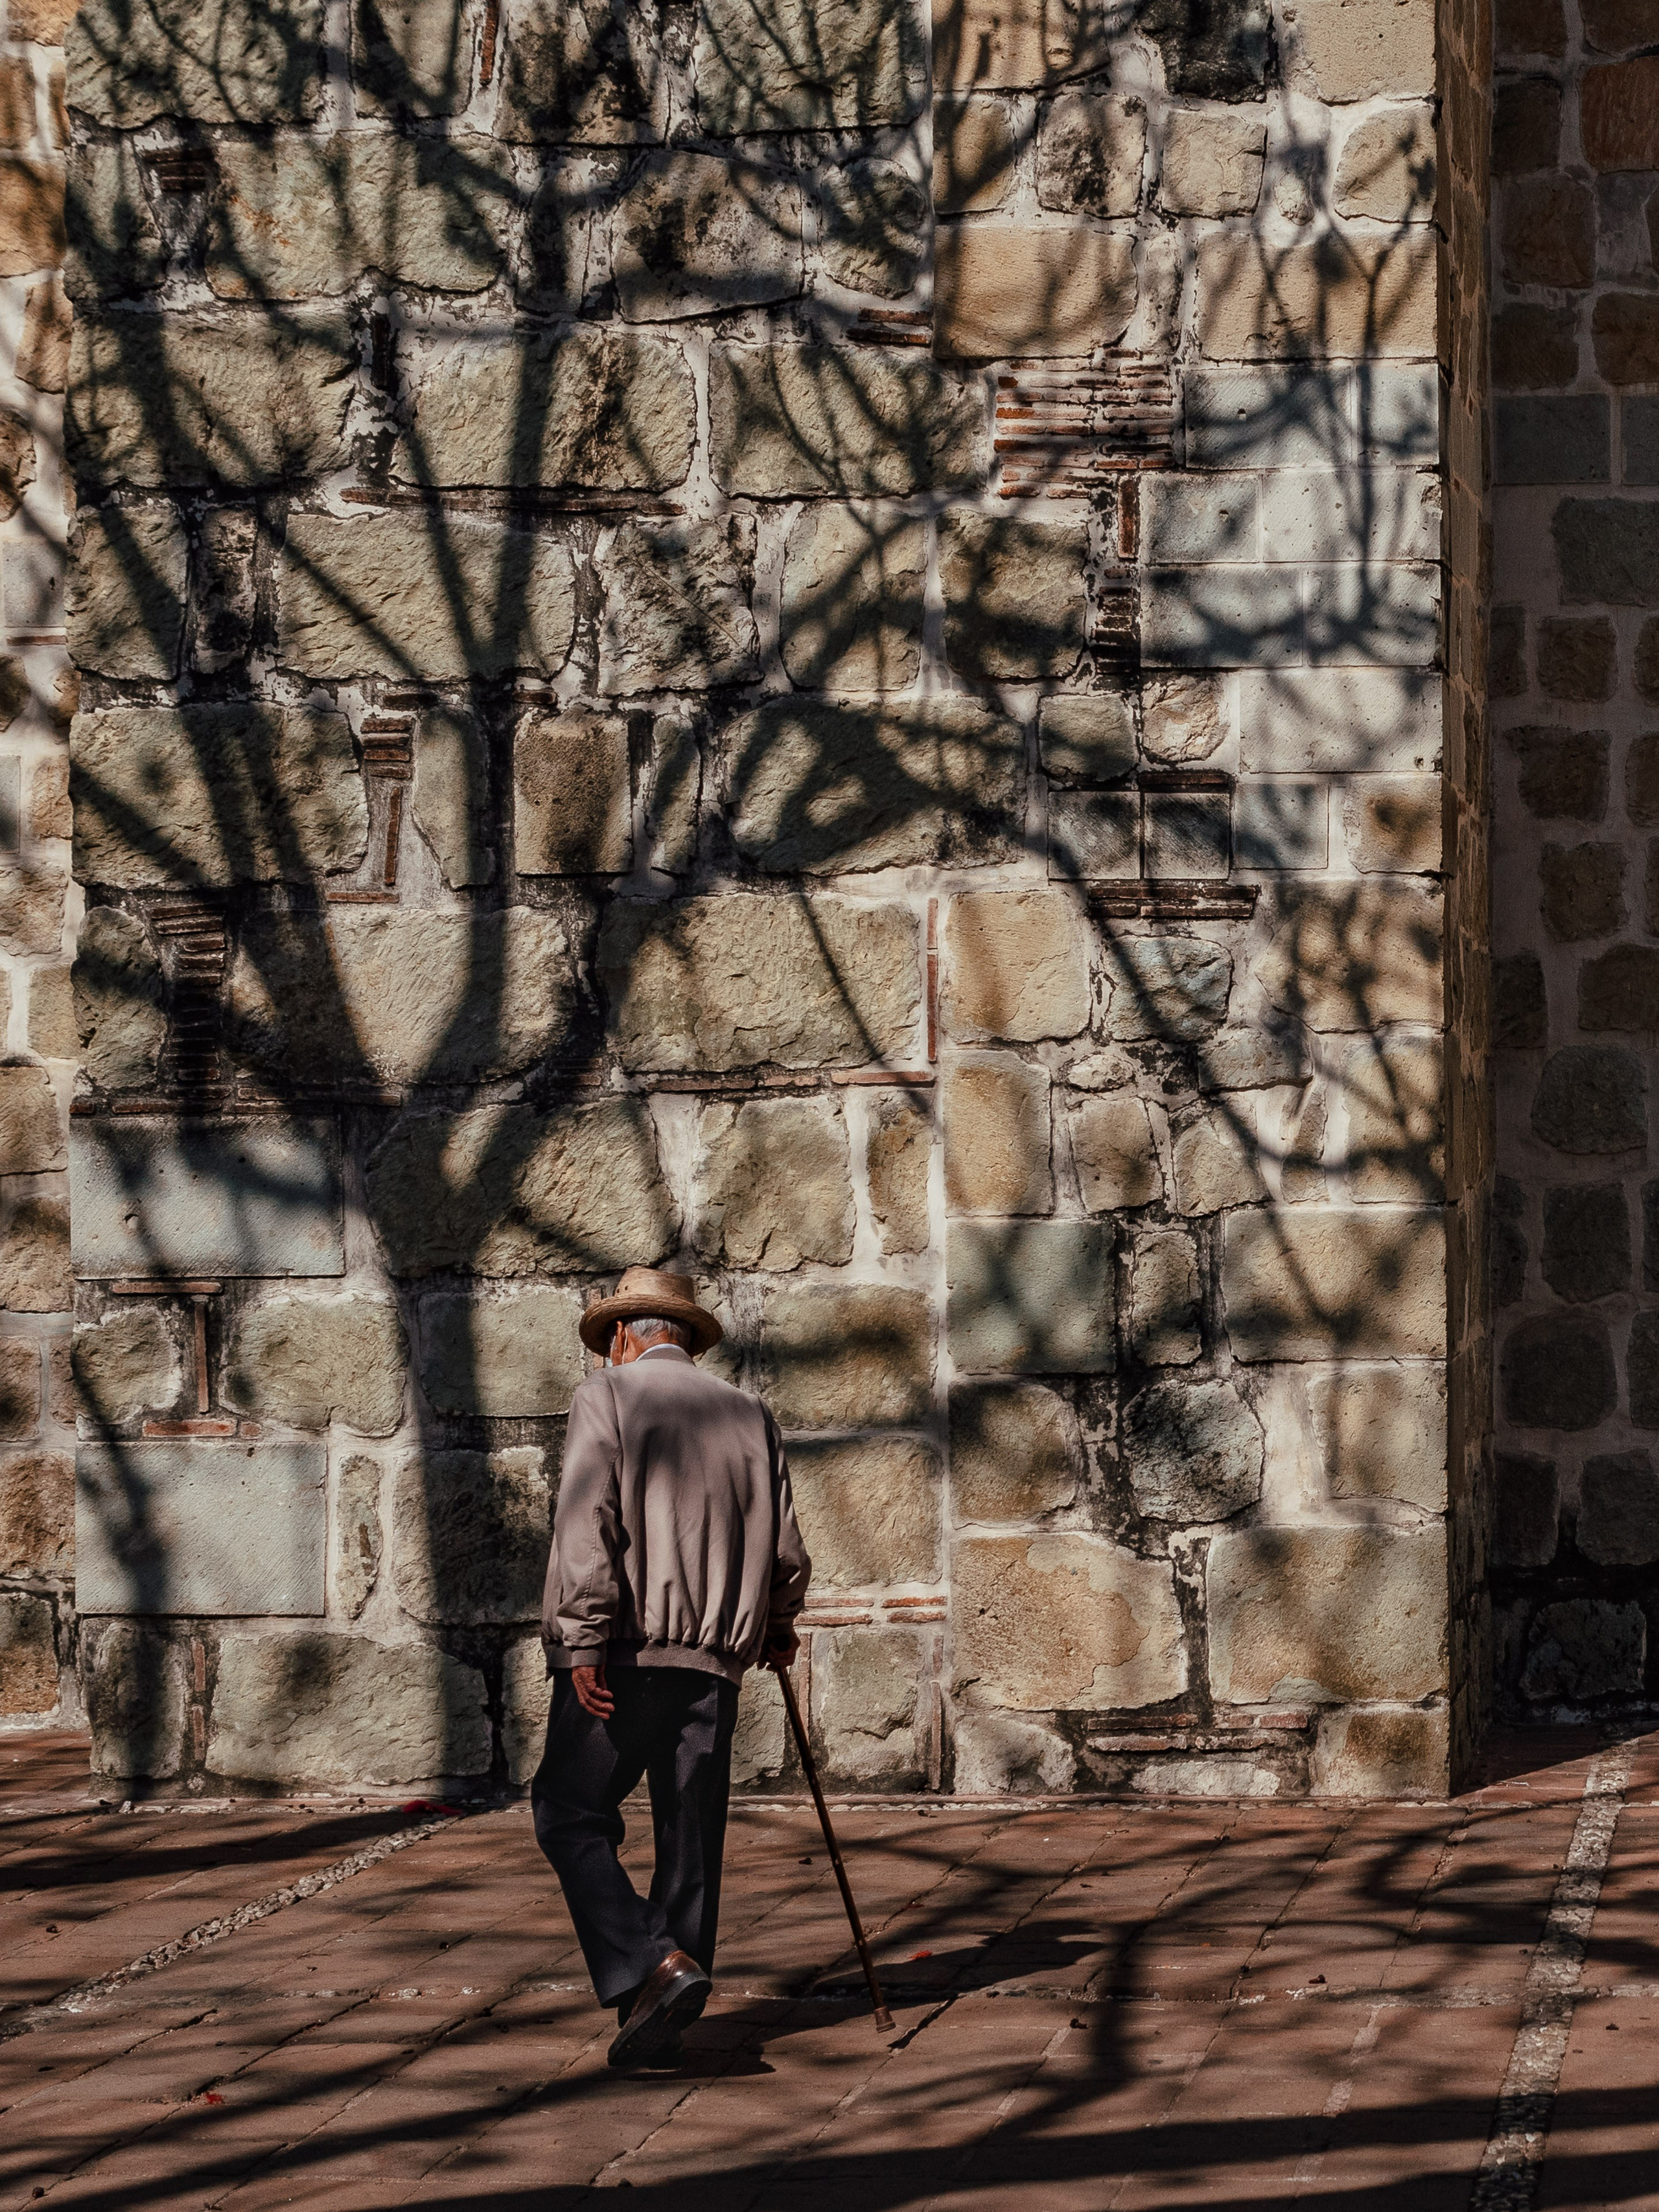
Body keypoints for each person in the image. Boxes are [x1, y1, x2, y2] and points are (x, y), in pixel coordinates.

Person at [532, 1265, 811, 2071]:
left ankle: (653, 1961)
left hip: (624, 1652)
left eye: (609, 1340)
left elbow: (588, 1519)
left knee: (568, 1811)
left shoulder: (606, 1395)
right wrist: (776, 1625)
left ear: (625, 1334)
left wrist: (582, 1638)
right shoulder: (750, 1412)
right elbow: (786, 1550)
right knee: (690, 1835)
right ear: (686, 1337)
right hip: (715, 1661)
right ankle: (661, 2007)